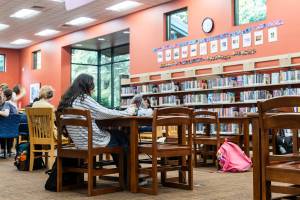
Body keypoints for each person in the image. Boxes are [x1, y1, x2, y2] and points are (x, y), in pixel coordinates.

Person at [57, 73, 137, 183]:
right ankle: (131, 178)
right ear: (87, 86)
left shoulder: (67, 101)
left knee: (118, 137)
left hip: (79, 143)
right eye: (92, 86)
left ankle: (127, 175)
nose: (93, 89)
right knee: (123, 137)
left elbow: (99, 113)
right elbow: (104, 112)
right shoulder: (84, 99)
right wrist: (128, 112)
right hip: (93, 143)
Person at [0, 89, 18, 156]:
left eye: (1, 94)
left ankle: (3, 150)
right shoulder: (13, 104)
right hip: (13, 129)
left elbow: (6, 114)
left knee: (2, 125)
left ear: (4, 96)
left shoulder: (7, 103)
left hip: (6, 129)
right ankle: (8, 150)